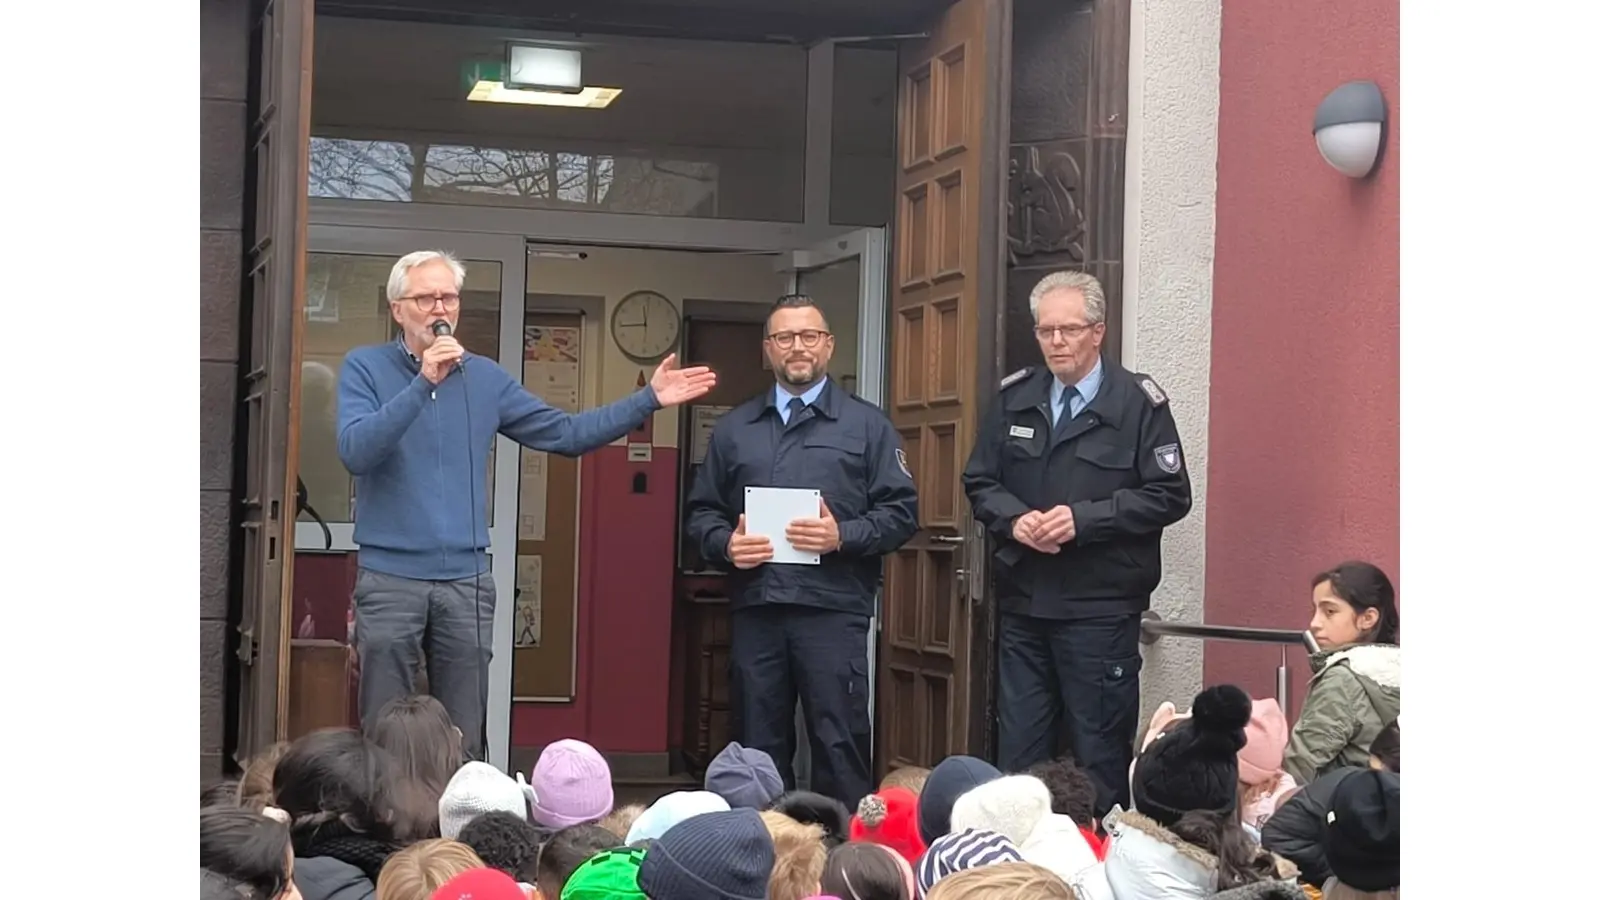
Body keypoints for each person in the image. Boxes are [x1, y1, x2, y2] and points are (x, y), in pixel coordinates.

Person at [337, 250, 716, 759]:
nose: (438, 307)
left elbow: (566, 433)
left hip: (465, 580)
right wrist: (422, 383)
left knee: (463, 729)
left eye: (447, 296)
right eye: (424, 297)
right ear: (397, 308)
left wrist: (647, 399)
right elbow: (357, 451)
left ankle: (461, 829)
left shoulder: (484, 378)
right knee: (386, 723)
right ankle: (382, 830)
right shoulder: (366, 367)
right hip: (390, 577)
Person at [961, 270, 1192, 809]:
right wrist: (1014, 520)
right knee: (1020, 754)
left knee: (1099, 752)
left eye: (1069, 329)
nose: (1057, 342)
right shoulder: (1016, 397)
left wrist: (1084, 520)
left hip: (1100, 609)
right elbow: (980, 481)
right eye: (1046, 331)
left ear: (1098, 331)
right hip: (1025, 603)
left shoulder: (1139, 403)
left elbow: (1170, 495)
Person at [684, 294, 919, 810]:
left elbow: (902, 515)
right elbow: (699, 514)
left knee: (840, 743)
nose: (798, 348)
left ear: (829, 346)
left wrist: (843, 537)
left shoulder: (867, 426)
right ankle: (758, 856)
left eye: (809, 336)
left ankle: (842, 859)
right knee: (756, 746)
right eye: (785, 338)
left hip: (832, 611)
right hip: (758, 611)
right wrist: (726, 543)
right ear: (767, 350)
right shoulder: (735, 429)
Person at [1283, 562, 1400, 785]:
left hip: (1344, 811)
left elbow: (1301, 766)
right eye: (1314, 610)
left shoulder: (1343, 678)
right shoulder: (1395, 669)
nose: (1314, 623)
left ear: (1368, 618)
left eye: (1330, 612)